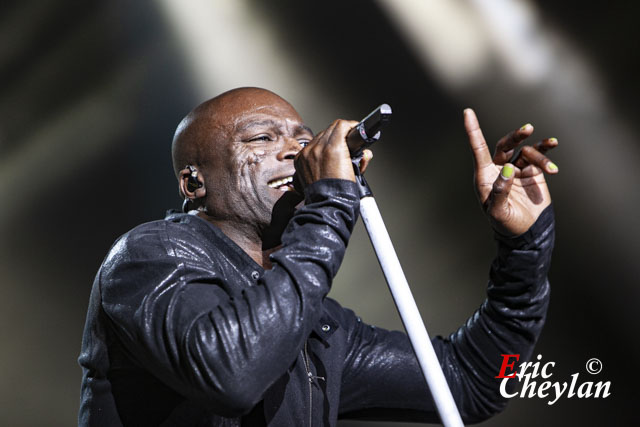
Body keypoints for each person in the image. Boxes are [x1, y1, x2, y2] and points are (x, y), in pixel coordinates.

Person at [78, 87, 557, 426]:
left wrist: (524, 247)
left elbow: (472, 381)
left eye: (304, 142)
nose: (294, 151)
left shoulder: (315, 326)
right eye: (262, 139)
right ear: (194, 182)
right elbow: (232, 373)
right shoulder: (149, 256)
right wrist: (329, 204)